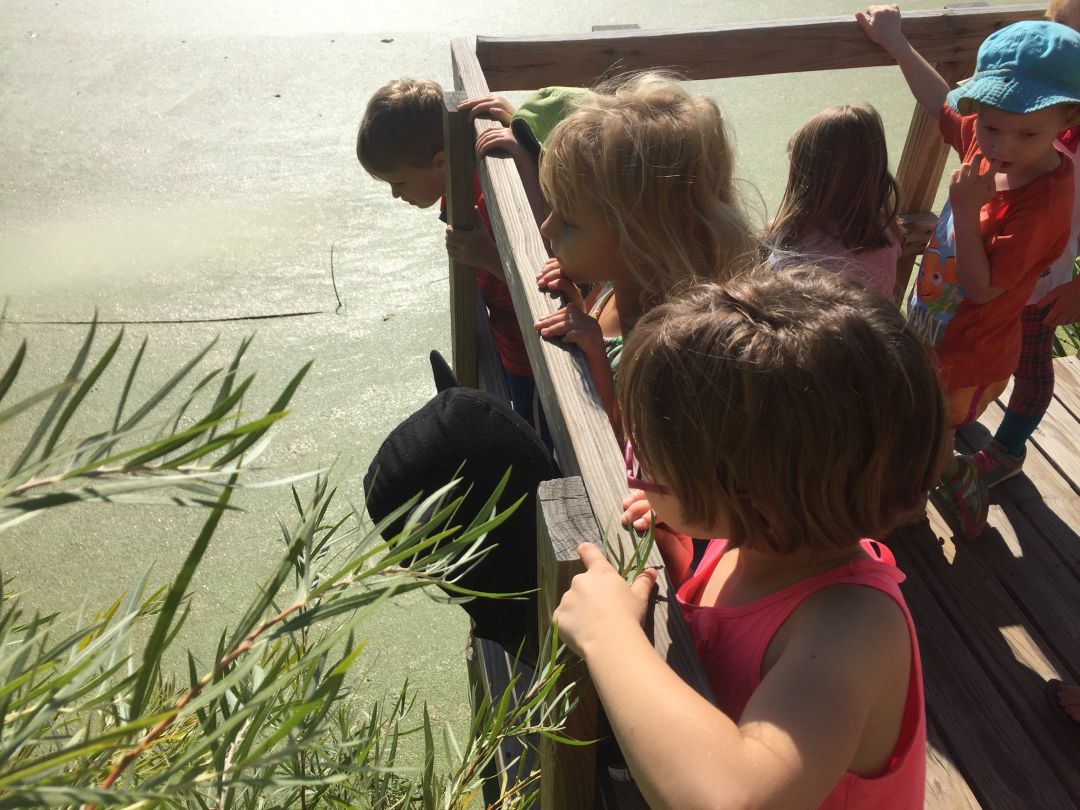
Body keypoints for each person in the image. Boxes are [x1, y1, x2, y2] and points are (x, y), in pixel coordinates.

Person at [554, 266, 946, 809]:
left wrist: (608, 635)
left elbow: (735, 798)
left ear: (748, 489)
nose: (633, 463)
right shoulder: (744, 541)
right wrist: (686, 528)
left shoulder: (855, 629)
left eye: (646, 453)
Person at [857, 9, 1080, 539]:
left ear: (1067, 121)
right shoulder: (989, 139)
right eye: (990, 125)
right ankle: (921, 487)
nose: (1001, 145)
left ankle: (954, 478)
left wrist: (965, 201)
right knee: (917, 419)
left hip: (973, 351)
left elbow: (983, 288)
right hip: (932, 328)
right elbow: (938, 101)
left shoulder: (1042, 204)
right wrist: (897, 43)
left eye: (1026, 132)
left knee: (927, 430)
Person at [532, 73, 759, 432]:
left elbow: (637, 455)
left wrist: (597, 372)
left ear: (642, 239)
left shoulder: (676, 346)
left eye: (570, 222)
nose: (546, 228)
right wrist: (576, 306)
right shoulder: (614, 287)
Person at [355, 79, 537, 427]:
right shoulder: (461, 184)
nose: (396, 195)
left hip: (528, 357)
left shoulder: (492, 202)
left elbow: (547, 275)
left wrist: (488, 258)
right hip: (505, 343)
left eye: (399, 182)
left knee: (536, 435)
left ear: (441, 162)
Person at [971, 0, 1080, 486]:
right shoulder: (1020, 119)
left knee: (1032, 369)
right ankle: (957, 415)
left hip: (1045, 286)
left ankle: (1008, 447)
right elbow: (945, 106)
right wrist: (897, 42)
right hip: (998, 275)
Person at [767, 104, 901, 298]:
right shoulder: (887, 231)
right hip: (872, 326)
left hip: (813, 325)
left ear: (807, 181)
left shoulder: (799, 247)